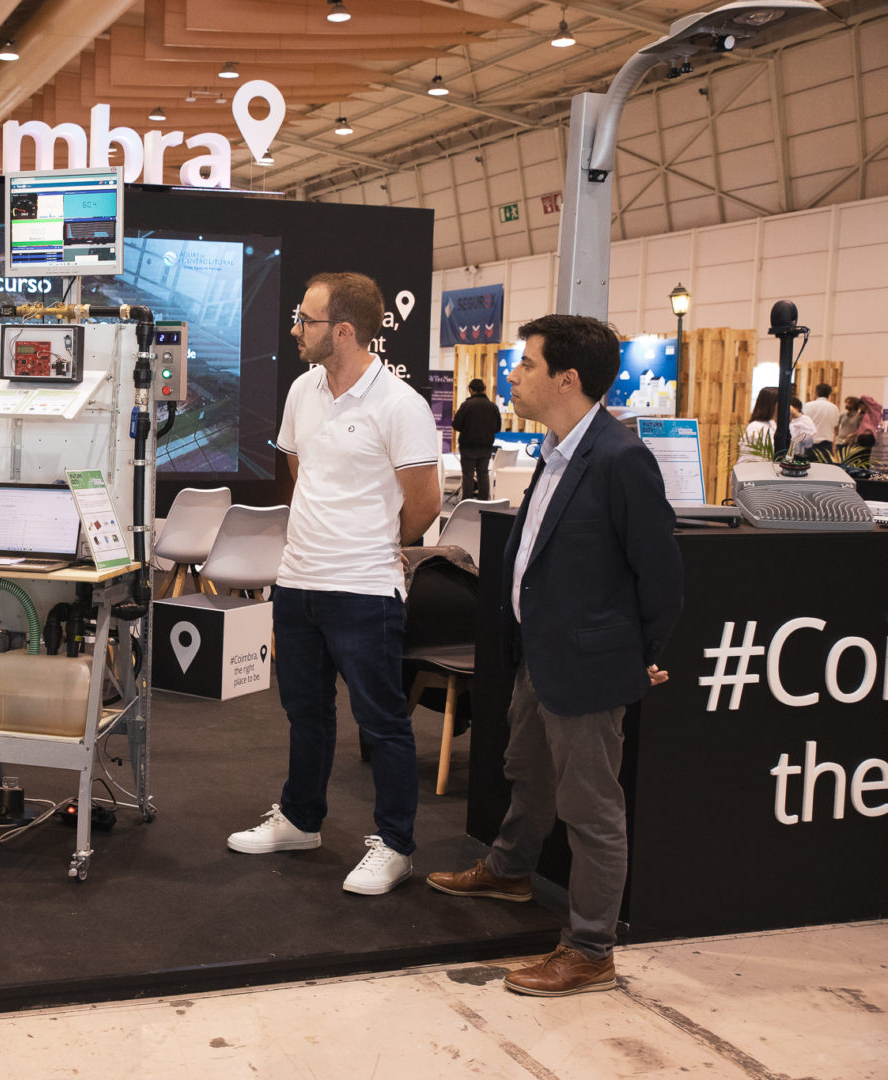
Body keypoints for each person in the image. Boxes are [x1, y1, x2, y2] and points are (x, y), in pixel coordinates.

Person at [425, 314, 683, 998]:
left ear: (567, 379)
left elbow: (662, 577)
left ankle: (591, 949)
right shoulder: (557, 449)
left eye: (527, 364)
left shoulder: (621, 459)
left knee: (591, 808)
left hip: (589, 666)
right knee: (528, 771)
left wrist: (637, 655)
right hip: (539, 653)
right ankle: (511, 871)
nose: (513, 375)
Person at [226, 272, 441, 896]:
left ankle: (395, 845)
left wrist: (372, 542)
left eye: (307, 320)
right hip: (298, 580)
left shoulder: (400, 405)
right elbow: (301, 471)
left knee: (381, 722)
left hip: (365, 586)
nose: (296, 329)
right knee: (305, 712)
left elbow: (425, 504)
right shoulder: (303, 389)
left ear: (343, 331)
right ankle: (300, 820)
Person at [451, 377, 501, 500]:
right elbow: (497, 428)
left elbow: (456, 425)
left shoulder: (466, 405)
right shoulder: (493, 407)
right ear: (484, 390)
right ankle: (483, 501)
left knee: (468, 475)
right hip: (486, 447)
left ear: (471, 390)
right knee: (483, 473)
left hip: (468, 446)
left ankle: (467, 502)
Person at [802, 383, 838, 455]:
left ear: (816, 392)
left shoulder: (807, 406)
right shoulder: (834, 408)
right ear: (829, 394)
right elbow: (835, 426)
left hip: (810, 443)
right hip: (827, 445)